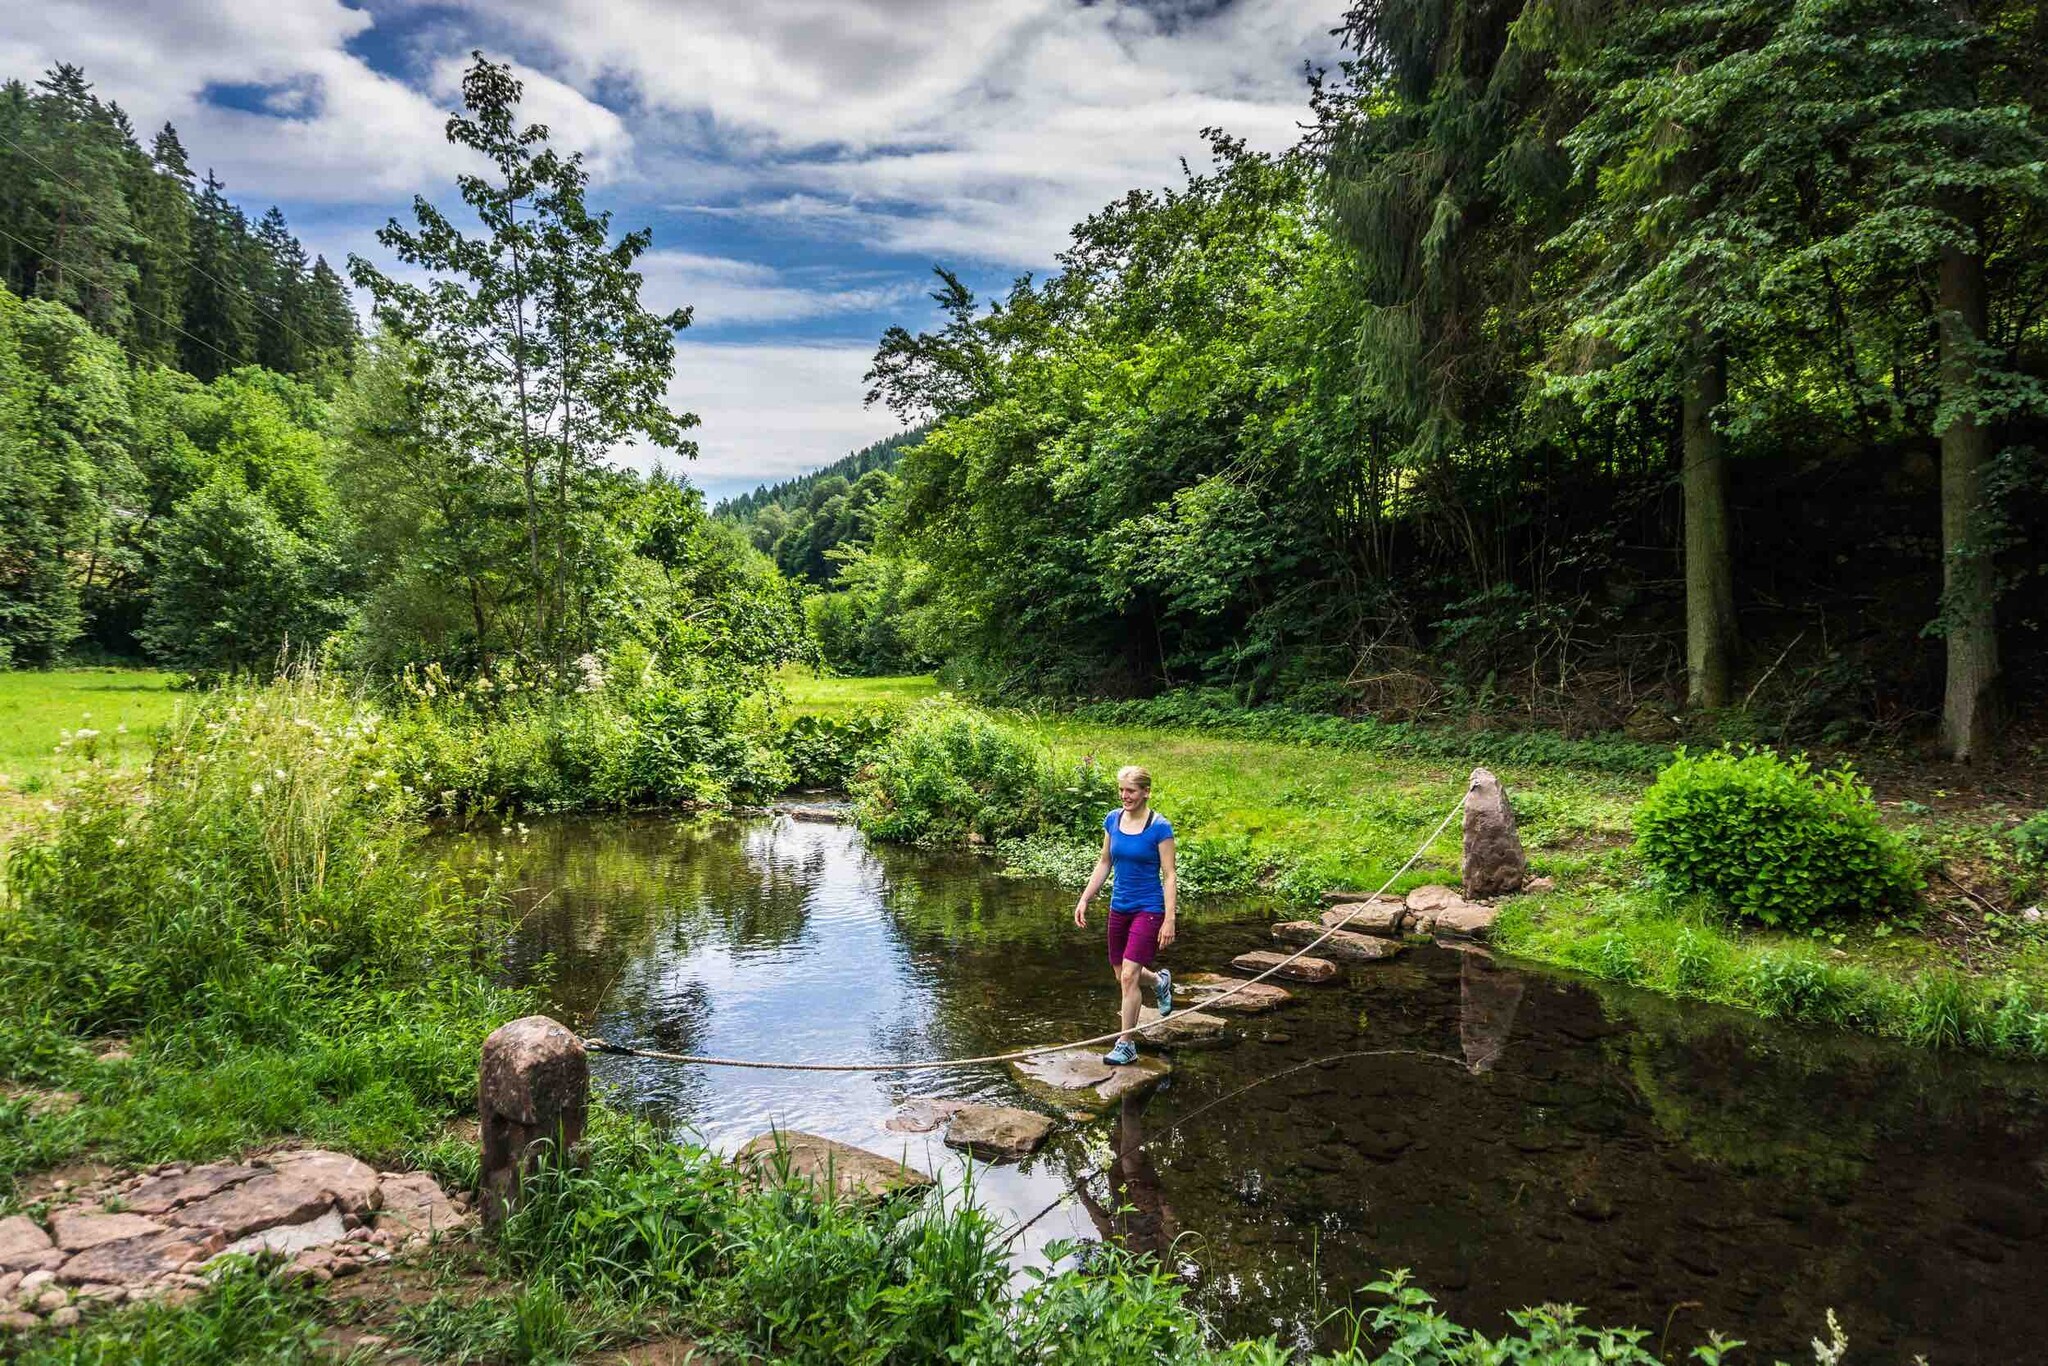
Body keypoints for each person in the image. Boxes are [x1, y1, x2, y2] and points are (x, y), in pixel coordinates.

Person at [1073, 765, 1176, 1065]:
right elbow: (1104, 862)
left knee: (1129, 976)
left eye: (1130, 790)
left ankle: (1126, 1043)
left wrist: (1169, 918)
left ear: (1146, 792)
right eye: (1121, 790)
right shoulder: (1112, 819)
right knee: (1121, 975)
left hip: (1149, 908)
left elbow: (1169, 875)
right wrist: (1085, 898)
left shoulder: (1159, 827)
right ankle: (1159, 982)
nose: (1125, 796)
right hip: (1120, 907)